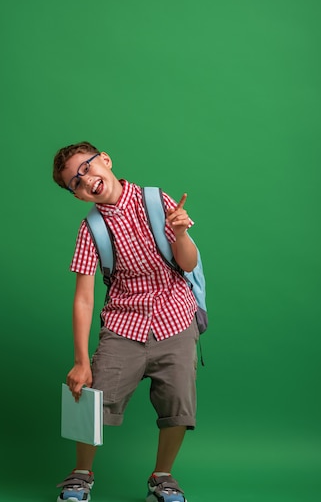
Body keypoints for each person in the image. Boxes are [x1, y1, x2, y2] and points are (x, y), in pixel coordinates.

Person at [52, 141, 200, 502]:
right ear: (76, 195)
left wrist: (181, 232)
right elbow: (84, 298)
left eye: (86, 168)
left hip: (175, 319)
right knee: (92, 399)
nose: (86, 180)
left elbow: (189, 264)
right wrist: (81, 360)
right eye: (75, 182)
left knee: (178, 403)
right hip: (123, 326)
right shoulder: (91, 230)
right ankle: (81, 475)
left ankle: (163, 477)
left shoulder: (155, 201)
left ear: (105, 160)